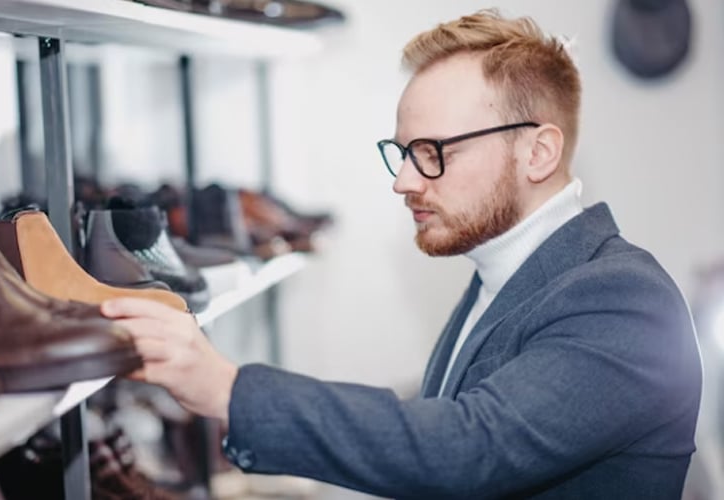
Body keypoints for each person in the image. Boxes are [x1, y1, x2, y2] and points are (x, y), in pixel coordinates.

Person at [101, 9, 703, 499]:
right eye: (403, 153)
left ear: (538, 153)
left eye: (434, 152)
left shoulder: (625, 299)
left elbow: (467, 447)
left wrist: (229, 390)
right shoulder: (504, 275)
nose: (404, 181)